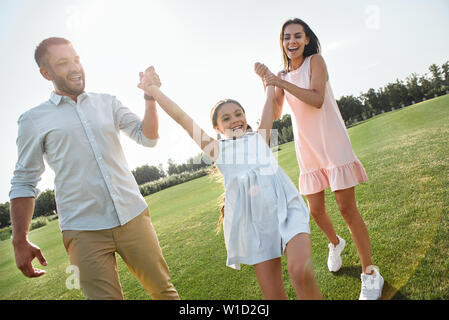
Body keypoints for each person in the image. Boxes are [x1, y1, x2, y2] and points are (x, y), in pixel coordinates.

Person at [9, 37, 179, 300]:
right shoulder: (32, 120)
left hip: (132, 216)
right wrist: (19, 239)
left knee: (163, 292)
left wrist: (149, 96)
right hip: (82, 230)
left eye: (76, 59)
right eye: (63, 63)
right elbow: (24, 181)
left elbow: (148, 137)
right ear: (46, 73)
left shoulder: (107, 102)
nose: (75, 67)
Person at [137, 66, 322, 300]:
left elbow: (268, 105)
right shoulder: (217, 150)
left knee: (301, 273)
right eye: (226, 118)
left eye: (238, 114)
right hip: (255, 224)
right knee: (273, 295)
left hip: (287, 208)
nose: (235, 120)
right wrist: (153, 90)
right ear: (217, 127)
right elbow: (183, 118)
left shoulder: (260, 138)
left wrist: (269, 81)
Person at [255, 18, 384, 300]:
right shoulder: (281, 76)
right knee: (315, 210)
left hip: (332, 141)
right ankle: (336, 243)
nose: (292, 41)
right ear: (282, 42)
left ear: (307, 39)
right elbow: (275, 113)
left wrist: (280, 82)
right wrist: (268, 84)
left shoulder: (316, 62)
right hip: (308, 148)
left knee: (346, 208)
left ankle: (370, 274)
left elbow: (316, 99)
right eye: (287, 36)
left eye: (297, 36)